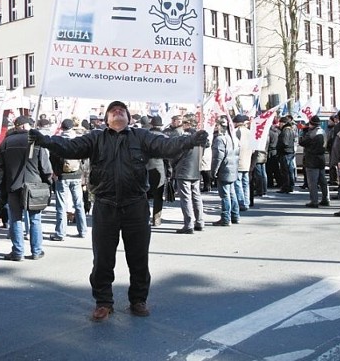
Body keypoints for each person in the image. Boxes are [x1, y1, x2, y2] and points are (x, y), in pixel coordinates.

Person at [28, 100, 208, 321]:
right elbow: (70, 148)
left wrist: (191, 140)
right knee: (102, 259)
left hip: (135, 206)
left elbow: (166, 146)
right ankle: (103, 302)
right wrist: (45, 140)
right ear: (106, 120)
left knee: (138, 258)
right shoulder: (95, 138)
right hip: (105, 206)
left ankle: (138, 300)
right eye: (113, 110)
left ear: (129, 118)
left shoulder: (141, 136)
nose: (117, 111)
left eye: (122, 109)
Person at [0, 115, 52, 261]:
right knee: (35, 219)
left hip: (14, 185)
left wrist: (2, 186)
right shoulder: (35, 141)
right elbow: (45, 168)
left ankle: (18, 252)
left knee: (15, 219)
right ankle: (37, 251)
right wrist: (48, 183)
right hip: (34, 186)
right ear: (26, 126)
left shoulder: (6, 142)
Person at [49, 118, 88, 241]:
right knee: (78, 204)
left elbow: (52, 158)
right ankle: (82, 230)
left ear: (62, 127)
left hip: (62, 176)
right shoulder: (79, 140)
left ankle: (60, 233)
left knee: (61, 205)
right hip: (77, 175)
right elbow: (85, 160)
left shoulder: (58, 141)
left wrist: (55, 172)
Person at [172, 117, 207, 233]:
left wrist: (174, 165)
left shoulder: (185, 139)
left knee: (186, 198)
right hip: (195, 170)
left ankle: (189, 224)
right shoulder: (201, 140)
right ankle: (200, 221)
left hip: (184, 171)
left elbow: (176, 154)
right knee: (196, 196)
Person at [210, 117, 240, 226]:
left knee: (225, 195)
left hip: (225, 169)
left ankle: (226, 218)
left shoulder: (220, 139)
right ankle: (235, 215)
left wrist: (213, 171)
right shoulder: (233, 138)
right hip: (232, 168)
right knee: (232, 193)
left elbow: (217, 158)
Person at [299, 115, 330, 208]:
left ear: (311, 124)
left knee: (312, 182)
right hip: (321, 157)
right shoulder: (323, 131)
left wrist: (303, 132)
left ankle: (314, 201)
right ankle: (326, 199)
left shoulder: (312, 133)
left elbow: (302, 142)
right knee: (323, 181)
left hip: (312, 159)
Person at [146, 116, 167, 226]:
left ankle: (144, 217)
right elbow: (168, 157)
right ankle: (156, 218)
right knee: (158, 195)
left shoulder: (145, 136)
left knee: (144, 194)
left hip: (145, 167)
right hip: (159, 168)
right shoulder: (164, 137)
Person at [233, 114, 252, 210]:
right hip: (247, 160)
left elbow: (234, 146)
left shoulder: (236, 132)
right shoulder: (250, 132)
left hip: (238, 160)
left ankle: (241, 202)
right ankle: (247, 202)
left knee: (238, 183)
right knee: (245, 183)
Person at [276, 116, 296, 193]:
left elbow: (285, 142)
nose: (279, 124)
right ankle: (290, 185)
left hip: (285, 153)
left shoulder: (285, 131)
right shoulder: (290, 130)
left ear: (283, 123)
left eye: (280, 123)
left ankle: (286, 187)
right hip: (289, 152)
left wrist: (279, 147)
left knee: (285, 171)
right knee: (290, 170)